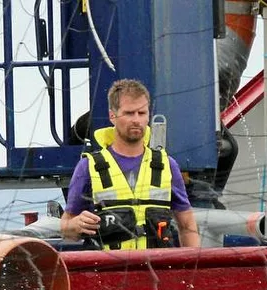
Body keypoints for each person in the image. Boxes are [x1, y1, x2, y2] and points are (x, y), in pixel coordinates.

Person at [60, 79, 199, 248]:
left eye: (142, 113)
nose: (136, 120)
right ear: (113, 115)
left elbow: (187, 226)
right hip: (109, 271)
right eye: (129, 113)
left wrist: (192, 270)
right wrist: (76, 225)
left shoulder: (166, 166)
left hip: (158, 271)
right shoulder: (88, 167)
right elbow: (66, 227)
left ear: (149, 115)